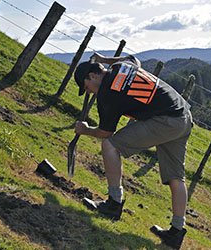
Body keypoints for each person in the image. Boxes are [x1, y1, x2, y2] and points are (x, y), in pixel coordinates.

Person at [74, 52, 193, 249]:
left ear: (93, 76)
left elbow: (105, 132)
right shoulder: (120, 67)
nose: (89, 92)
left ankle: (113, 203)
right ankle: (176, 232)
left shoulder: (107, 93)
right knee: (176, 177)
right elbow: (132, 59)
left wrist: (85, 130)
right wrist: (104, 59)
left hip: (165, 120)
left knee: (110, 145)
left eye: (86, 87)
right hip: (183, 116)